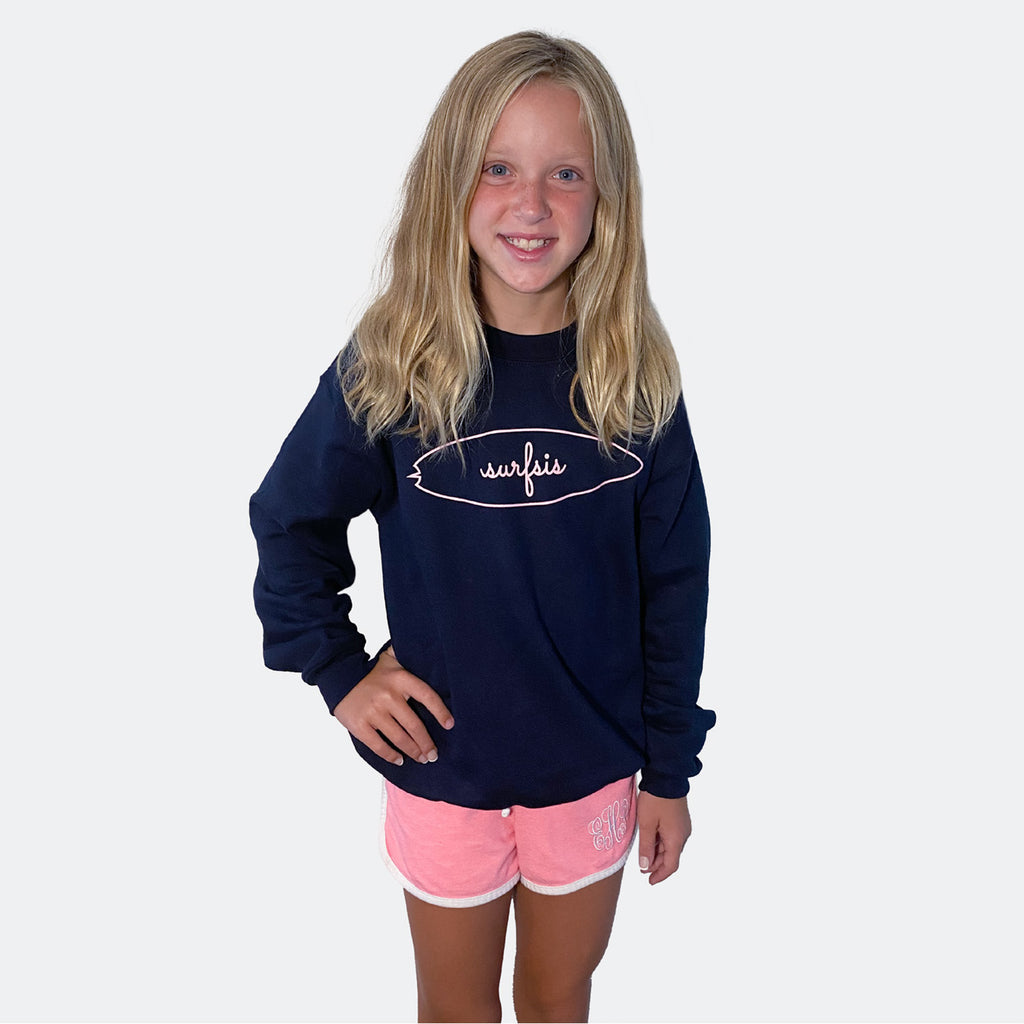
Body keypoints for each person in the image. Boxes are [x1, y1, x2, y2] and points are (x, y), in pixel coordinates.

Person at [249, 30, 715, 1024]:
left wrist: (669, 771)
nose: (530, 203)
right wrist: (338, 671)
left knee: (557, 997)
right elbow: (288, 520)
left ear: (607, 197)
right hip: (442, 769)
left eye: (565, 173)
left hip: (592, 773)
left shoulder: (635, 382)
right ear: (450, 181)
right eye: (498, 168)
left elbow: (676, 586)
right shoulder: (394, 364)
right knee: (455, 1007)